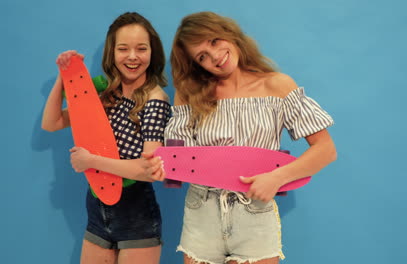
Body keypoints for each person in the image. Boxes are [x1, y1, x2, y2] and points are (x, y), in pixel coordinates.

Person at [165, 11, 337, 264]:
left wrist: (277, 178)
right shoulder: (190, 94)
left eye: (214, 41)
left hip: (255, 214)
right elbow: (175, 162)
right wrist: (158, 167)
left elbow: (326, 150)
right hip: (201, 213)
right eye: (202, 56)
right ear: (196, 64)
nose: (215, 56)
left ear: (229, 33)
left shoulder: (277, 86)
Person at [41, 12, 170, 264]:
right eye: (123, 49)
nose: (132, 56)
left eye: (141, 49)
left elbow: (148, 170)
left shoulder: (155, 100)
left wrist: (91, 161)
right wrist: (64, 76)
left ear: (152, 53)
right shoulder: (105, 93)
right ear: (112, 53)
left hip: (136, 215)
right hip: (97, 209)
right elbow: (52, 123)